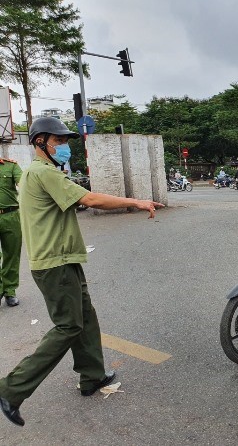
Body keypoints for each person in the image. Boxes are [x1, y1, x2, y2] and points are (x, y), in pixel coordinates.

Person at [0, 117, 164, 427]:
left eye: (64, 142)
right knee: (68, 326)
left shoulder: (44, 172)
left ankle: (92, 376)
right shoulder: (43, 172)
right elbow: (89, 198)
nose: (63, 147)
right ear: (40, 143)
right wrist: (136, 201)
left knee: (85, 317)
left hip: (64, 258)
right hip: (54, 263)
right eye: (57, 141)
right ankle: (11, 389)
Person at [0, 156, 22, 308]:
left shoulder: (11, 166)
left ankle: (10, 291)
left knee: (12, 254)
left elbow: (24, 183)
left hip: (11, 216)